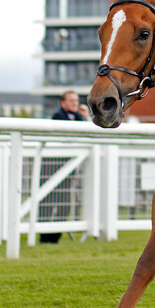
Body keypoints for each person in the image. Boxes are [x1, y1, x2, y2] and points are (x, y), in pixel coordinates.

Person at [41, 91, 86, 243]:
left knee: (65, 202)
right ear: (63, 103)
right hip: (53, 166)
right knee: (48, 201)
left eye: (76, 100)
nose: (75, 103)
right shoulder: (57, 116)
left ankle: (56, 235)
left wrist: (85, 118)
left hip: (69, 167)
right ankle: (44, 235)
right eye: (71, 100)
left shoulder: (79, 117)